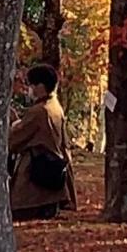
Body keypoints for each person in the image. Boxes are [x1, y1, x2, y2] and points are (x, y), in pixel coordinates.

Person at [8, 62, 77, 221]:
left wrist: (13, 124)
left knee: (18, 212)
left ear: (40, 86)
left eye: (31, 84)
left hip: (35, 173)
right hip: (52, 169)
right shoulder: (55, 106)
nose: (29, 89)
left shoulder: (39, 111)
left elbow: (14, 140)